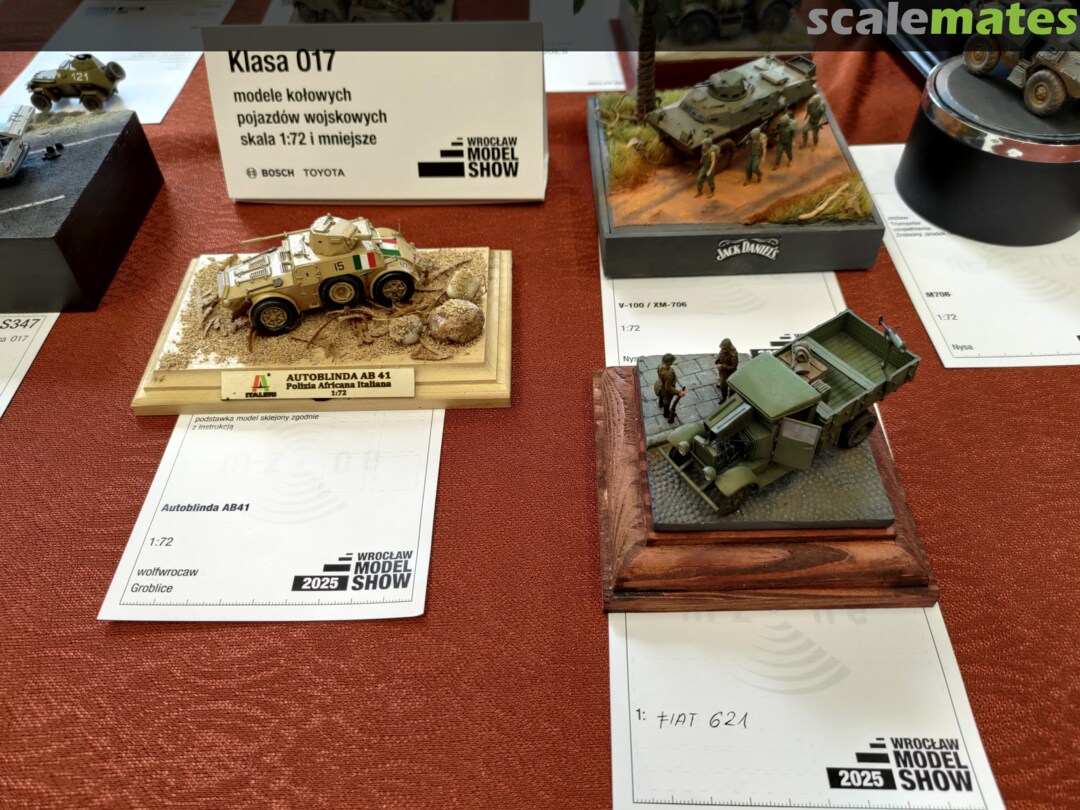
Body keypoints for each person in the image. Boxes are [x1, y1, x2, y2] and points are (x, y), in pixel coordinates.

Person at [656, 354, 685, 424]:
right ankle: (666, 413)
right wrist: (679, 392)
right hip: (666, 389)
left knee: (661, 395)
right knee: (667, 400)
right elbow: (668, 388)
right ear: (670, 363)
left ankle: (660, 403)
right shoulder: (669, 375)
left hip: (660, 385)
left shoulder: (659, 366)